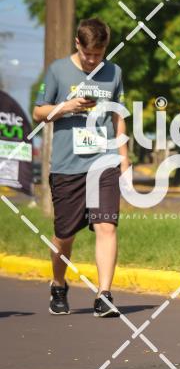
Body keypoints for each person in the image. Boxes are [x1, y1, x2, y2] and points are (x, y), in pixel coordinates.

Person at [33, 17, 129, 317]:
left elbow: (118, 116)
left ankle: (104, 295)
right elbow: (38, 112)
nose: (91, 60)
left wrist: (124, 157)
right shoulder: (58, 70)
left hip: (104, 162)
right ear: (77, 43)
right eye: (87, 54)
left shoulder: (114, 72)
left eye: (98, 55)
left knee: (106, 226)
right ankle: (58, 284)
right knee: (65, 235)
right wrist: (66, 107)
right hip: (67, 165)